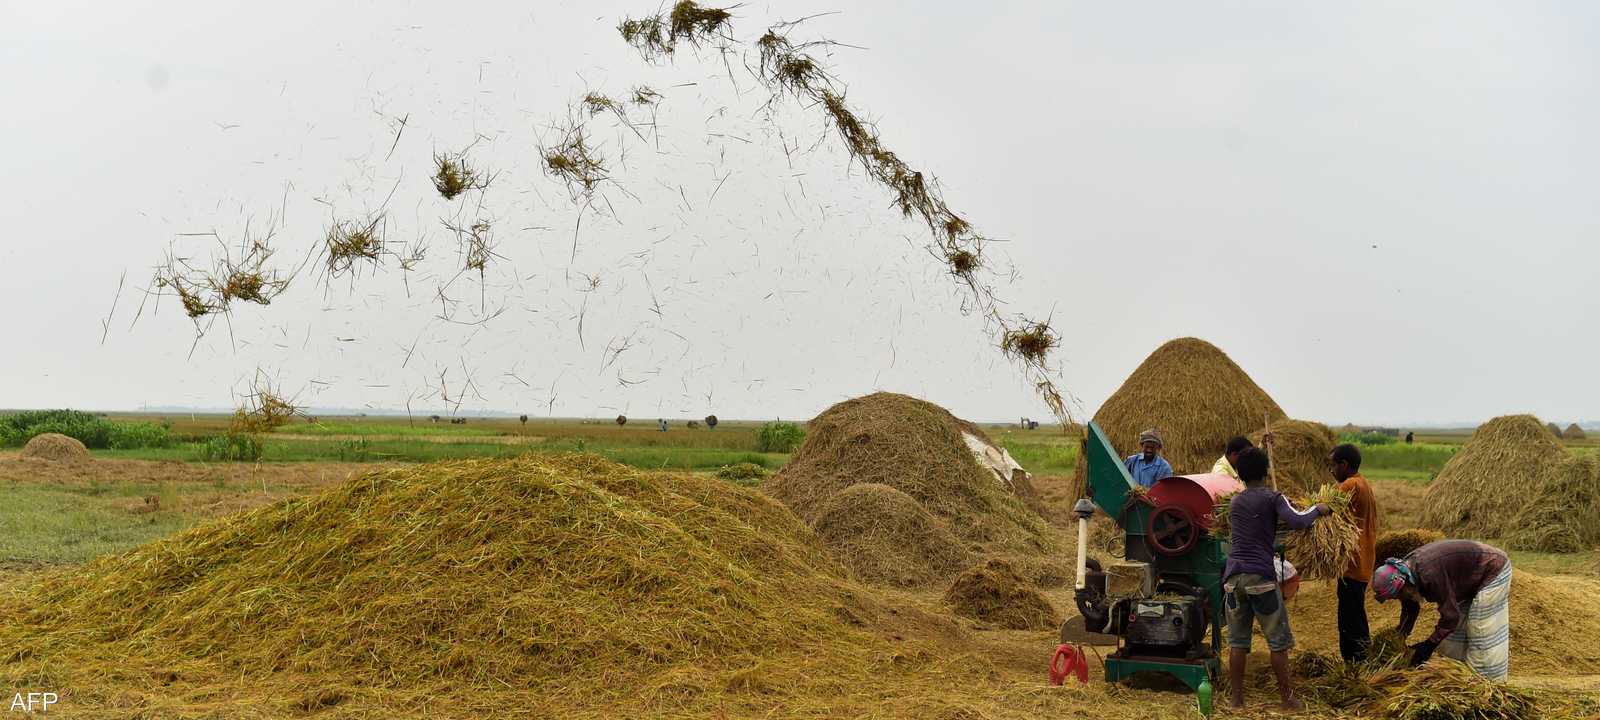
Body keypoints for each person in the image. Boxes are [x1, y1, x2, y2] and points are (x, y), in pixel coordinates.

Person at [1224, 447, 1332, 711]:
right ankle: (1288, 700)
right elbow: (1298, 520)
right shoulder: (1273, 497)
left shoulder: (1235, 502)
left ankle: (1236, 700)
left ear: (1239, 473)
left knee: (1238, 643)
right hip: (1260, 578)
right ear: (1266, 471)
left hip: (1232, 580)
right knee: (1278, 641)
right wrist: (1318, 509)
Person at [1372, 540, 1512, 681]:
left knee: (1481, 629)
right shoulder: (1405, 572)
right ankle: (1458, 677)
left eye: (1398, 595)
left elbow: (1451, 617)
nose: (1400, 598)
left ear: (1403, 585)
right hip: (1468, 578)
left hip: (1492, 569)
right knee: (1456, 636)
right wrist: (1400, 637)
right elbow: (1411, 607)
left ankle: (1488, 683)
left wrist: (1429, 645)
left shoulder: (1429, 574)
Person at [1331, 443, 1378, 663]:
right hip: (1363, 561)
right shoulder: (1363, 484)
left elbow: (1325, 506)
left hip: (1352, 563)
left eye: (1334, 465)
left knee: (1350, 619)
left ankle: (1358, 662)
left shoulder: (1350, 485)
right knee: (1355, 614)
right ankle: (1359, 660)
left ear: (1344, 464)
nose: (1332, 471)